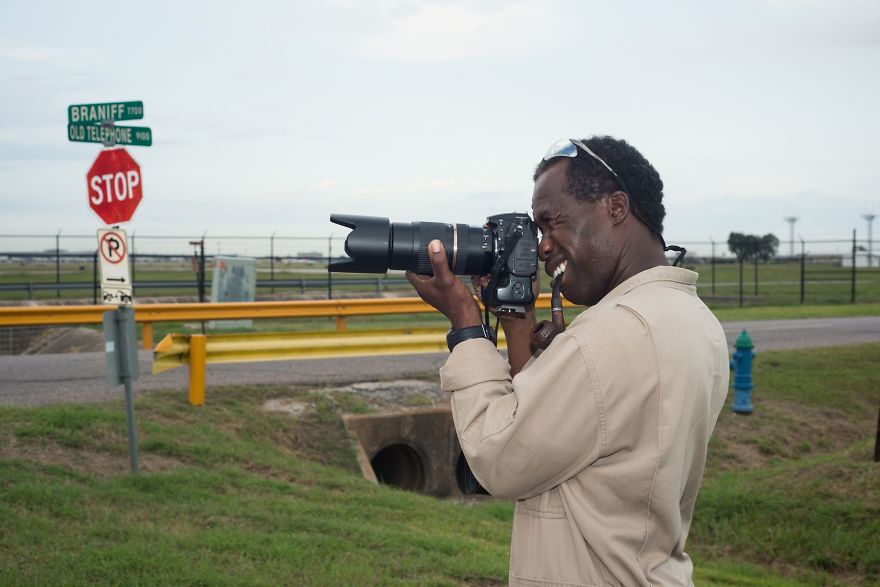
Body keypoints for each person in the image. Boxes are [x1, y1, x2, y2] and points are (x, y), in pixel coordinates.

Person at [406, 136, 729, 586]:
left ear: (616, 207)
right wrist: (518, 324)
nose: (542, 246)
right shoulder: (690, 319)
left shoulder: (613, 334)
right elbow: (556, 429)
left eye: (552, 222)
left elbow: (499, 455)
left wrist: (465, 324)